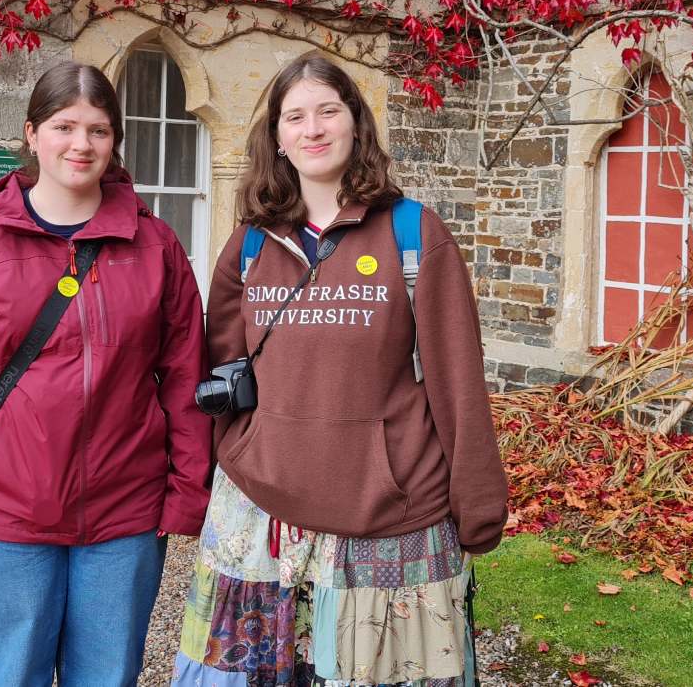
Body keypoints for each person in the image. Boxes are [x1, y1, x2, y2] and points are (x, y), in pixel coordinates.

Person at [173, 53, 509, 686]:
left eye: (328, 111)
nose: (313, 128)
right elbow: (223, 367)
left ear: (356, 122)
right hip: (262, 519)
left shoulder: (413, 233)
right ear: (277, 137)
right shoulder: (250, 242)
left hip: (386, 514)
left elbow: (458, 382)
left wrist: (478, 502)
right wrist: (240, 449)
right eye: (295, 116)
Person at [0, 60, 212, 687]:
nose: (81, 144)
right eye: (64, 126)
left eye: (98, 130)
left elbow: (186, 378)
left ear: (114, 142)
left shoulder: (156, 247)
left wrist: (189, 489)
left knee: (107, 677)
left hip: (124, 512)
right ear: (32, 134)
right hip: (4, 512)